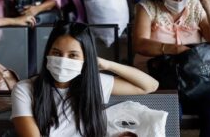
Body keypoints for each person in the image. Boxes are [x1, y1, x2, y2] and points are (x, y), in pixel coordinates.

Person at [11, 21, 159, 137]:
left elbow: (150, 85)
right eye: (56, 53)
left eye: (73, 55)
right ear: (47, 54)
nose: (63, 60)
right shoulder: (25, 89)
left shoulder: (94, 84)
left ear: (86, 58)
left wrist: (107, 64)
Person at [133, 0, 210, 137]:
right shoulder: (147, 8)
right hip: (160, 80)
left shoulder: (195, 6)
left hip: (195, 79)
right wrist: (174, 49)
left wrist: (209, 6)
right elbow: (140, 43)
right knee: (168, 112)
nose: (179, 1)